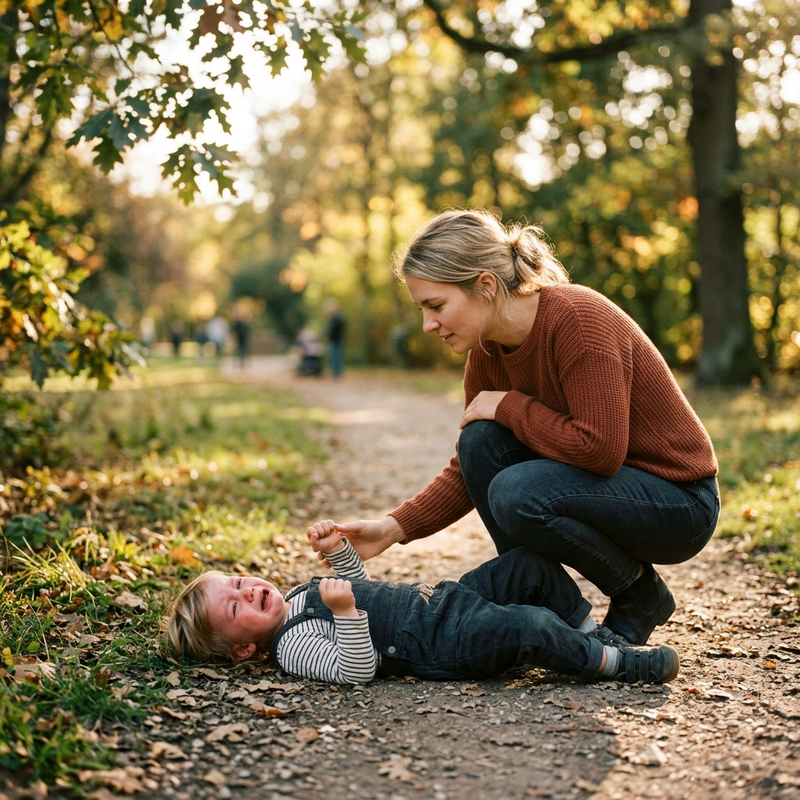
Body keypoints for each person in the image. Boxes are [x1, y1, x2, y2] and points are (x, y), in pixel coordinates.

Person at [318, 209, 721, 648]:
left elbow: (600, 449)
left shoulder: (579, 321)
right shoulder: (486, 353)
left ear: (486, 285)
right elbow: (470, 469)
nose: (427, 324)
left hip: (679, 501)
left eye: (436, 306)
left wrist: (511, 405)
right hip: (613, 492)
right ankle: (549, 610)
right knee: (480, 441)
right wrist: (392, 528)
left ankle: (639, 596)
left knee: (516, 491)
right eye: (422, 309)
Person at [162, 520, 680, 686]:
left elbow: (360, 585)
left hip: (441, 598)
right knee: (527, 626)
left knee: (529, 564)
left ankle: (591, 638)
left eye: (235, 581)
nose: (245, 590)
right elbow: (356, 669)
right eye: (234, 608)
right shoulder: (293, 647)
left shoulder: (296, 595)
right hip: (438, 641)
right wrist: (342, 614)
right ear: (244, 651)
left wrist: (340, 550)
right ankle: (613, 664)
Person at [324, 299, 346, 379]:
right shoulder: (332, 318)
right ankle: (335, 373)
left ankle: (337, 373)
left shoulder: (337, 317)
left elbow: (336, 328)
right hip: (333, 339)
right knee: (333, 357)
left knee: (336, 356)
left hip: (336, 339)